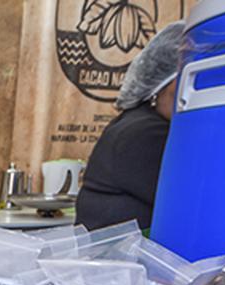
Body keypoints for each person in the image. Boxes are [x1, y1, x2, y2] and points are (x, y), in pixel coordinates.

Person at [75, 22, 185, 231]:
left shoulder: (133, 122)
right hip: (117, 260)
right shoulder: (145, 133)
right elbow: (188, 202)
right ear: (158, 88)